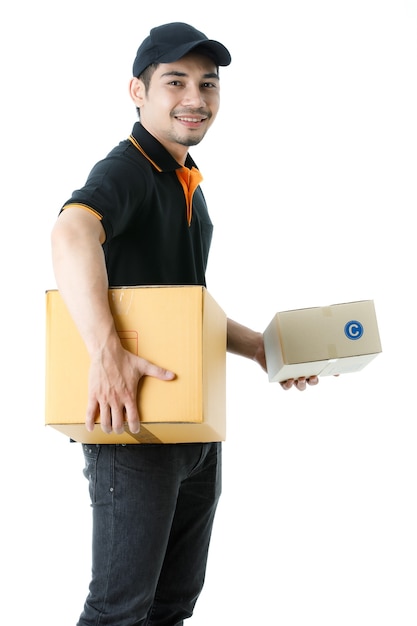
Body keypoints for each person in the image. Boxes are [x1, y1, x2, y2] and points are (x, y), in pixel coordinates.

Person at [51, 22, 318, 626]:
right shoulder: (127, 170)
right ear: (137, 92)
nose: (195, 98)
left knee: (172, 605)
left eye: (207, 84)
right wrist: (105, 353)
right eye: (175, 82)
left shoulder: (184, 180)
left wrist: (258, 348)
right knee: (120, 611)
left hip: (193, 423)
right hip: (134, 424)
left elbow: (181, 302)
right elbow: (70, 232)